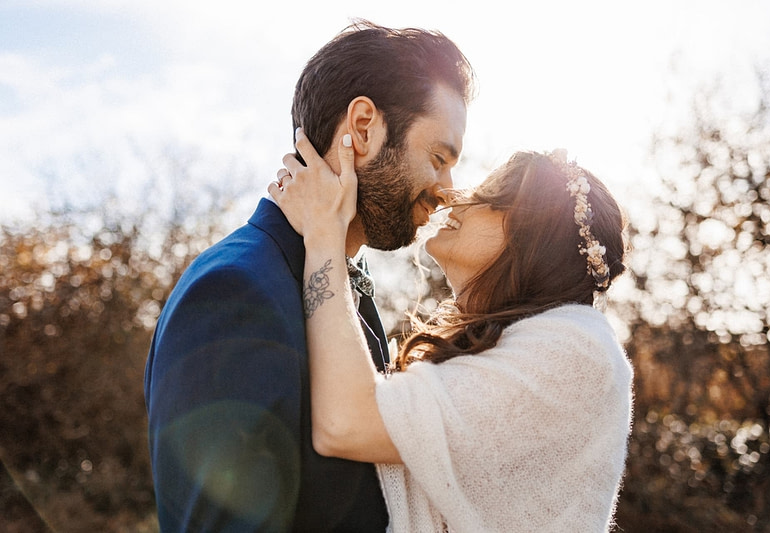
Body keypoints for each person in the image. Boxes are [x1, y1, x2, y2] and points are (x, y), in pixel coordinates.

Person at [143, 20, 475, 531]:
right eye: (438, 158)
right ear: (363, 127)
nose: (447, 188)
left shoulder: (343, 289)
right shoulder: (235, 290)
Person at [269, 131, 634, 532]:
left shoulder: (578, 351)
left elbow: (347, 423)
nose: (454, 197)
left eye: (489, 196)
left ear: (534, 232)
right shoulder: (530, 345)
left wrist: (325, 232)